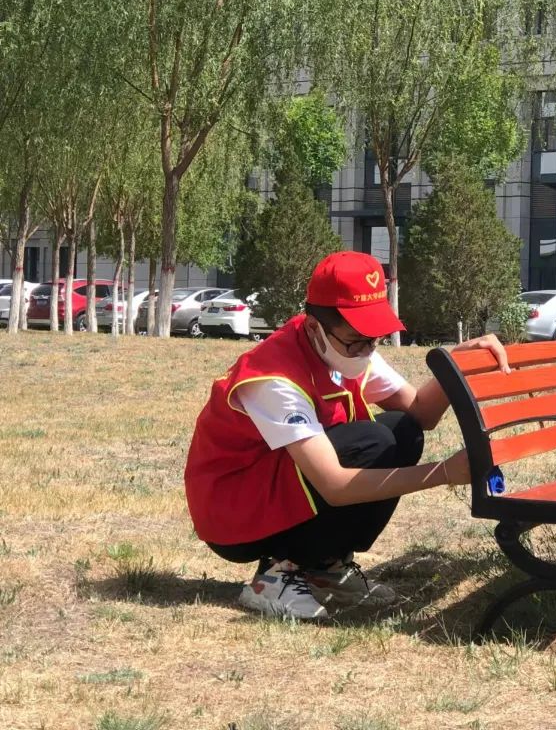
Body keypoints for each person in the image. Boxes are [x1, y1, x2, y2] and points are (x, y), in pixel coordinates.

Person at [184, 251, 508, 620]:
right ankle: (277, 574)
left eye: (375, 338)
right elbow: (334, 485)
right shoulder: (275, 378)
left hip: (277, 486)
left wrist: (456, 364)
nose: (367, 350)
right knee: (373, 442)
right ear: (313, 327)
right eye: (357, 340)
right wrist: (444, 472)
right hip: (233, 515)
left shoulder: (345, 347)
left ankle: (324, 566)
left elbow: (421, 412)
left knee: (403, 431)